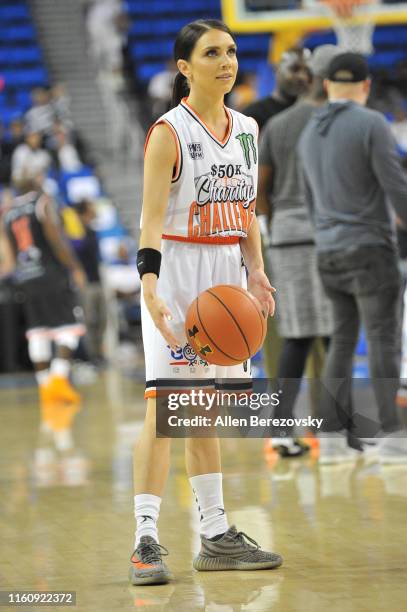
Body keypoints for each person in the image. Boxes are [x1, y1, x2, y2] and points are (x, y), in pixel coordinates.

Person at [130, 19, 282, 586]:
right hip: (176, 272)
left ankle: (215, 534)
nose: (228, 61)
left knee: (204, 412)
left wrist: (258, 272)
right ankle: (145, 539)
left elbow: (246, 212)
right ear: (185, 68)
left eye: (233, 51)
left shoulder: (247, 127)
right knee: (167, 408)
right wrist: (149, 283)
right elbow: (148, 217)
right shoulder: (168, 132)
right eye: (213, 52)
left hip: (226, 276)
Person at [298, 52, 407, 464]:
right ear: (365, 86)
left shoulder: (310, 132)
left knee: (341, 341)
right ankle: (392, 435)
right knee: (383, 339)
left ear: (327, 85)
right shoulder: (371, 123)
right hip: (370, 248)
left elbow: (309, 201)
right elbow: (396, 189)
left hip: (327, 252)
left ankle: (330, 438)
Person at [257, 45, 341, 458]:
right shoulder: (336, 123)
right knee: (334, 333)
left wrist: (271, 228)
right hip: (328, 232)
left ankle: (281, 431)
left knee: (298, 336)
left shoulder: (277, 124)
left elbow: (261, 189)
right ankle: (336, 430)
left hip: (285, 235)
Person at [0, 174, 87, 406]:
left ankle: (44, 386)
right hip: (50, 274)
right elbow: (56, 239)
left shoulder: (7, 212)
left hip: (26, 278)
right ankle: (58, 383)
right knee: (68, 329)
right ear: (34, 183)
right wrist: (75, 267)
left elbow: (9, 259)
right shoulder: (42, 202)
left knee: (37, 332)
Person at [242, 48, 312, 131]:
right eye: (295, 69)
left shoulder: (314, 113)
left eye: (307, 71)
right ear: (276, 69)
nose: (302, 76)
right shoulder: (254, 115)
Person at [74, 199, 107, 364]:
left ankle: (99, 353)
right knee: (88, 320)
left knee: (102, 319)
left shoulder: (92, 231)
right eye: (91, 206)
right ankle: (90, 355)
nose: (94, 209)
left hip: (97, 280)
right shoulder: (75, 231)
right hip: (85, 282)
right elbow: (76, 251)